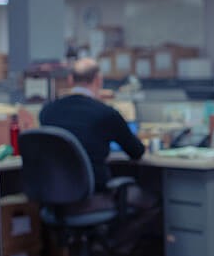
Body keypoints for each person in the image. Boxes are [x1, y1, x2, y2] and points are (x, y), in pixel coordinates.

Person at [40, 58, 144, 191]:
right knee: (152, 201)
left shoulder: (47, 111)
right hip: (94, 192)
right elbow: (137, 152)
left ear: (70, 79)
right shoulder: (105, 113)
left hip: (54, 192)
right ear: (98, 80)